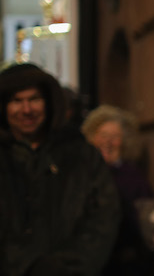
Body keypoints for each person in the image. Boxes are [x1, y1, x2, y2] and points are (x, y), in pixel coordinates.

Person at [0, 63, 120, 275]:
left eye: (34, 99)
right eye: (17, 101)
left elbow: (103, 219)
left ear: (48, 102)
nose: (27, 110)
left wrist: (63, 267)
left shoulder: (82, 155)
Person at [82, 105, 154, 276]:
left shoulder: (134, 177)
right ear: (91, 138)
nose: (108, 142)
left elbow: (146, 219)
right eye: (103, 135)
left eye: (115, 137)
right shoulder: (80, 174)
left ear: (124, 141)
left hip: (124, 263)